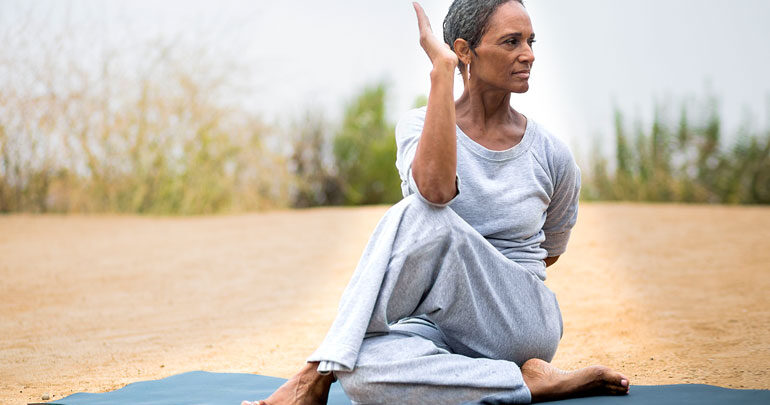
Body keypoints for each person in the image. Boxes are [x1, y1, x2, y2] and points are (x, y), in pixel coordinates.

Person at [243, 1, 630, 404]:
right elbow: (437, 188)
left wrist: (474, 273)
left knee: (422, 215)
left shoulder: (551, 153)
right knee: (360, 371)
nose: (529, 54)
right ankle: (522, 382)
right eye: (511, 41)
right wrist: (441, 73)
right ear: (464, 51)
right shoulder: (416, 126)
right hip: (437, 326)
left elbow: (548, 252)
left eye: (530, 41)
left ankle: (311, 376)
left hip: (519, 320)